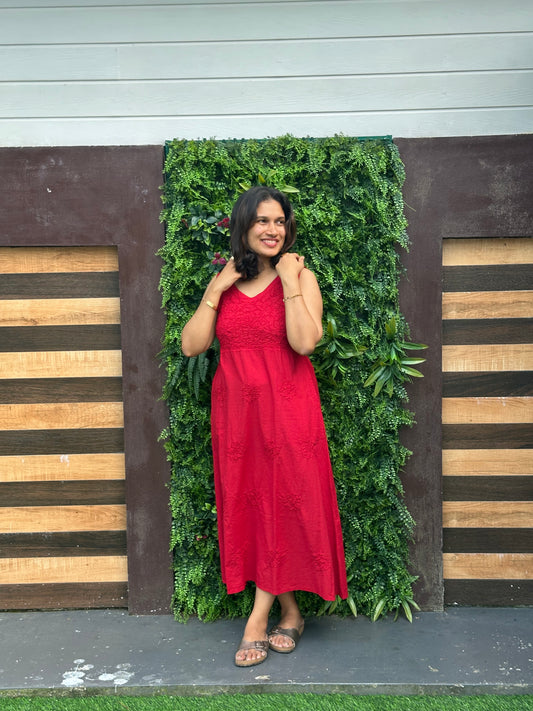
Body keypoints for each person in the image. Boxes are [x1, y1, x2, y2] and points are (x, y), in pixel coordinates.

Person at [182, 186, 348, 667]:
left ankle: (256, 622)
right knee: (254, 509)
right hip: (238, 418)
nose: (272, 230)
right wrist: (216, 289)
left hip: (289, 411)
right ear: (244, 226)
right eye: (261, 221)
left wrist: (290, 280)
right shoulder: (226, 282)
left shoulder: (301, 276)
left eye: (279, 221)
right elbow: (192, 346)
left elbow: (304, 343)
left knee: (284, 502)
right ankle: (291, 613)